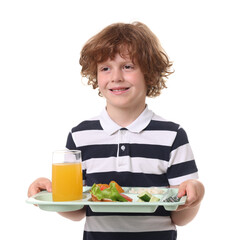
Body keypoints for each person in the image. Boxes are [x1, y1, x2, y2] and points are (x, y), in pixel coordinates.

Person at [28, 22, 205, 240]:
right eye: (105, 68)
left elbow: (181, 218)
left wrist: (195, 192)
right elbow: (76, 211)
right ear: (96, 76)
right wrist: (50, 195)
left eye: (128, 66)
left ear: (149, 74)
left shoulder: (172, 136)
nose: (116, 77)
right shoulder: (80, 136)